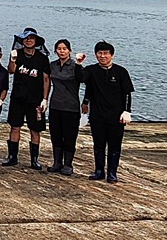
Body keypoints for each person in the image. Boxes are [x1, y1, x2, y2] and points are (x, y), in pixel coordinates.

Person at [78, 41, 134, 183]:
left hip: (116, 115)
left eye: (106, 53)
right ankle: (99, 171)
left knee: (115, 145)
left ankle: (112, 172)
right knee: (99, 144)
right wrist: (78, 64)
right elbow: (81, 79)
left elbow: (127, 93)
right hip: (97, 114)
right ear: (96, 55)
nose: (102, 56)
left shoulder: (121, 72)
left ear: (112, 55)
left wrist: (127, 111)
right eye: (100, 53)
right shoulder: (91, 70)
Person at [2, 28, 51, 169]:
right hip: (18, 97)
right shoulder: (17, 54)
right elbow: (11, 70)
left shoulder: (42, 58)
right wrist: (12, 60)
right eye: (26, 38)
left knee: (35, 129)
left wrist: (45, 99)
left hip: (35, 99)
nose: (28, 40)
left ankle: (34, 159)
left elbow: (46, 79)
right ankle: (12, 157)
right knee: (15, 126)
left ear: (36, 41)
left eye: (31, 38)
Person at [46, 39, 86, 176]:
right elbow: (45, 80)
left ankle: (68, 164)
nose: (62, 51)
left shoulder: (75, 66)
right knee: (55, 135)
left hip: (71, 107)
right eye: (59, 49)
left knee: (69, 136)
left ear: (70, 51)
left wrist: (79, 64)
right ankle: (57, 162)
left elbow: (82, 79)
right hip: (55, 105)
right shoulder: (53, 65)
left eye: (64, 49)